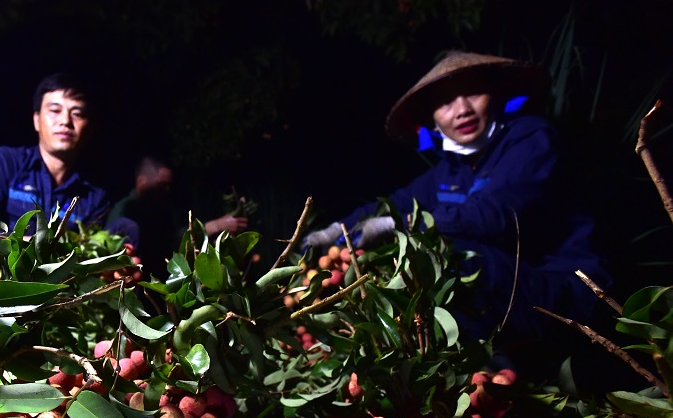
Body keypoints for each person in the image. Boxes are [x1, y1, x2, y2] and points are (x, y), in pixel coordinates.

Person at [303, 51, 610, 373]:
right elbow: (390, 205)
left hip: (564, 290)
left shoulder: (529, 137)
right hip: (501, 290)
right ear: (433, 120)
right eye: (446, 103)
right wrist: (329, 234)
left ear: (496, 96)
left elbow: (496, 216)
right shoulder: (449, 169)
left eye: (473, 93)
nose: (462, 110)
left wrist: (398, 224)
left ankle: (491, 379)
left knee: (449, 255)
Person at [0, 73, 109, 232]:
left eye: (77, 114)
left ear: (89, 127)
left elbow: (91, 249)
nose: (65, 121)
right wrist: (39, 247)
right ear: (36, 120)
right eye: (55, 110)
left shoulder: (94, 197)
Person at [107, 156, 248, 276]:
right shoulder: (125, 213)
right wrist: (216, 226)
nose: (167, 191)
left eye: (169, 186)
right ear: (142, 181)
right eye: (162, 185)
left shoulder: (161, 208)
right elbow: (169, 242)